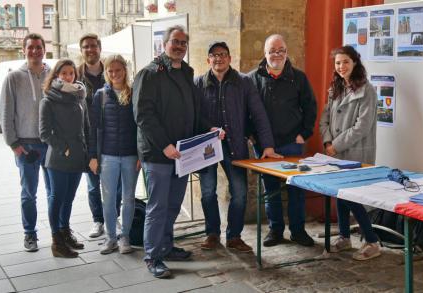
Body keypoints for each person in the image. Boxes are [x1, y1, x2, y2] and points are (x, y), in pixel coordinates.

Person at [133, 25, 214, 279]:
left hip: (183, 154)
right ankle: (153, 256)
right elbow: (143, 115)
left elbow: (193, 111)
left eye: (183, 43)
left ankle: (166, 247)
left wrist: (208, 130)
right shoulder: (149, 73)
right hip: (159, 154)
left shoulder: (187, 73)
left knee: (173, 205)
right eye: (174, 42)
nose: (179, 46)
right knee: (157, 207)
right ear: (164, 44)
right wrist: (164, 145)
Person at [195, 41, 281, 252]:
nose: (218, 58)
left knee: (240, 192)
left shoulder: (243, 82)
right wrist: (209, 128)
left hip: (235, 146)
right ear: (208, 60)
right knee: (207, 192)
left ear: (230, 58)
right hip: (207, 146)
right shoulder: (198, 83)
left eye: (223, 54)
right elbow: (193, 115)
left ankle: (234, 236)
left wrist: (267, 145)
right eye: (214, 55)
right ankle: (212, 234)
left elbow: (258, 114)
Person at [248, 34, 317, 247]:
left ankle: (298, 231)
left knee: (296, 189)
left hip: (291, 142)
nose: (277, 54)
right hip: (264, 145)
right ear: (265, 53)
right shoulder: (252, 78)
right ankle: (275, 230)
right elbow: (245, 110)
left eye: (281, 50)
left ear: (287, 53)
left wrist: (304, 134)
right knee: (270, 190)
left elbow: (310, 106)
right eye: (272, 50)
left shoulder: (299, 77)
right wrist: (251, 136)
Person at [319, 45, 381, 261]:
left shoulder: (367, 90)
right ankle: (345, 237)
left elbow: (362, 126)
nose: (341, 66)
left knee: (353, 197)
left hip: (355, 152)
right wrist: (327, 141)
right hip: (334, 152)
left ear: (355, 62)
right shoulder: (334, 88)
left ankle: (372, 241)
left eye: (345, 62)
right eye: (337, 63)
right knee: (339, 194)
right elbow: (324, 118)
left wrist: (336, 145)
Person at [0, 33, 52, 252]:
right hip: (26, 146)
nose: (35, 51)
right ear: (24, 50)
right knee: (29, 193)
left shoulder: (53, 75)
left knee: (54, 193)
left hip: (51, 144)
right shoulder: (13, 78)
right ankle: (30, 234)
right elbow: (5, 113)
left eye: (38, 47)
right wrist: (14, 144)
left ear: (44, 49)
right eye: (31, 47)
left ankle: (59, 233)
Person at [88, 55, 140, 255]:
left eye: (118, 70)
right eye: (110, 71)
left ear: (125, 71)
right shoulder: (100, 95)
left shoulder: (134, 93)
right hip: (107, 156)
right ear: (106, 72)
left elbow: (140, 127)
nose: (114, 74)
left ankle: (124, 236)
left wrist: (140, 156)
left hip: (130, 156)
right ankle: (110, 237)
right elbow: (94, 129)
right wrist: (93, 156)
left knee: (128, 198)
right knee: (108, 199)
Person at [39, 59, 88, 258]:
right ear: (56, 75)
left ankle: (65, 232)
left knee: (69, 199)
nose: (68, 77)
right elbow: (44, 133)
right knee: (57, 198)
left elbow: (87, 127)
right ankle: (56, 242)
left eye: (71, 73)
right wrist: (64, 148)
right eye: (64, 73)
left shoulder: (79, 96)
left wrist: (88, 150)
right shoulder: (48, 100)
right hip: (59, 158)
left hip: (78, 157)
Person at [77, 33, 122, 238]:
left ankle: (116, 217)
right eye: (86, 47)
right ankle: (98, 220)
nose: (90, 50)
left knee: (117, 184)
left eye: (93, 46)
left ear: (99, 48)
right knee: (94, 183)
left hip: (113, 136)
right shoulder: (75, 75)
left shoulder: (112, 70)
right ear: (82, 50)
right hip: (88, 137)